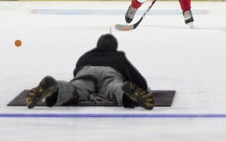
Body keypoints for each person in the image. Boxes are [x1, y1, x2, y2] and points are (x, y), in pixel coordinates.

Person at [25, 34, 155, 110]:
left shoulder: (86, 55)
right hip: (110, 71)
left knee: (76, 88)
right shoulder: (119, 57)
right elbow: (140, 81)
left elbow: (76, 71)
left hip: (85, 69)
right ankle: (126, 93)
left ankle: (56, 88)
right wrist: (141, 87)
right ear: (115, 47)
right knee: (113, 87)